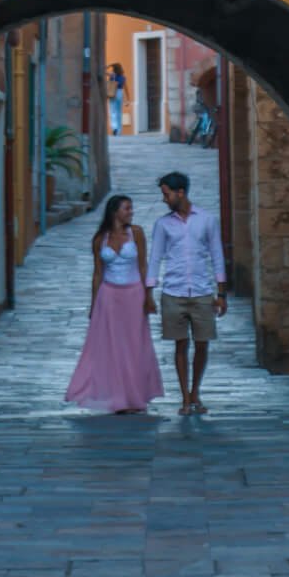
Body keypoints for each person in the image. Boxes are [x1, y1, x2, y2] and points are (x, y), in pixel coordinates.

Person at [64, 194, 164, 414]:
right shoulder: (100, 238)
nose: (131, 212)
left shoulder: (136, 233)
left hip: (134, 295)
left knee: (135, 345)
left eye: (131, 208)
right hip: (108, 297)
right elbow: (98, 273)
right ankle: (117, 396)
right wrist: (93, 305)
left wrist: (148, 296)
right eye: (127, 208)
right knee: (112, 346)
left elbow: (143, 266)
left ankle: (134, 395)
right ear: (114, 211)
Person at [145, 170, 227, 415]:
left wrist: (221, 293)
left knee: (202, 344)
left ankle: (196, 393)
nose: (164, 199)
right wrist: (149, 292)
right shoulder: (163, 224)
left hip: (202, 291)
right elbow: (155, 258)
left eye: (166, 194)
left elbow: (217, 255)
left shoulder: (207, 220)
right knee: (180, 345)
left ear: (180, 193)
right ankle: (184, 397)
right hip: (173, 291)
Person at [107, 61, 126, 137]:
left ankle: (114, 127)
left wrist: (109, 65)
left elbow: (103, 71)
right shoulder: (123, 77)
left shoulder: (112, 76)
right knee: (119, 112)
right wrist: (128, 99)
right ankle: (119, 130)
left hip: (113, 93)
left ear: (114, 69)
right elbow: (125, 87)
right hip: (120, 93)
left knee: (112, 111)